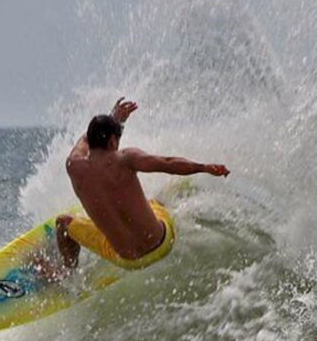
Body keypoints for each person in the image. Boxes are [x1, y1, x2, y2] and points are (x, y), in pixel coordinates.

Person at [53, 97, 229, 275]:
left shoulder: (73, 166)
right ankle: (160, 209)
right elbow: (167, 163)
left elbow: (84, 140)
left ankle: (67, 273)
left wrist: (113, 118)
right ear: (113, 141)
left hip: (127, 260)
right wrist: (204, 168)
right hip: (161, 242)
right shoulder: (125, 158)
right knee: (155, 203)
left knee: (63, 223)